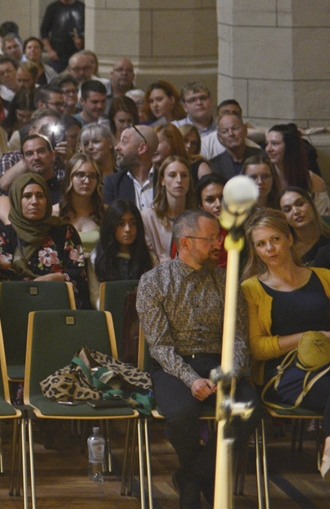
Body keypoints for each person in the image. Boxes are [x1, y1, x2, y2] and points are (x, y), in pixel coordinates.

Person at [138, 211, 259, 509]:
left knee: (249, 408)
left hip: (220, 362)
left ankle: (191, 477)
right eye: (211, 239)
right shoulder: (154, 282)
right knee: (181, 415)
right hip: (174, 365)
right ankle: (201, 479)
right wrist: (191, 379)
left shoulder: (227, 281)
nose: (219, 243)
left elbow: (239, 338)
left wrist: (231, 372)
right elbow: (160, 345)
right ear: (186, 243)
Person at [242, 209, 330, 479]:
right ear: (255, 251)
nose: (270, 248)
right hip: (282, 374)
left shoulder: (324, 276)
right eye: (261, 244)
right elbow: (256, 348)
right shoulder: (252, 288)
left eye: (276, 239)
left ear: (290, 239)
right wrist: (308, 337)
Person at [0, 174, 90, 302]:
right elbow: (0, 276)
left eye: (40, 196)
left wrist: (59, 278)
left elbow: (78, 273)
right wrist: (37, 286)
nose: (34, 201)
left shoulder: (64, 232)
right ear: (16, 200)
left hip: (58, 303)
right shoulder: (4, 235)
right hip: (16, 304)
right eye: (27, 196)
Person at [93, 202, 156, 301]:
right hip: (108, 313)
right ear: (110, 226)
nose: (128, 229)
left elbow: (154, 295)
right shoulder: (96, 257)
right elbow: (95, 296)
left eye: (133, 223)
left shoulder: (150, 258)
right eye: (121, 224)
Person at [38, 0, 85, 70]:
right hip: (58, 56)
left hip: (78, 54)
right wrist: (50, 51)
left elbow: (88, 30)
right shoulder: (52, 8)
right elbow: (44, 32)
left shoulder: (82, 7)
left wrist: (83, 41)